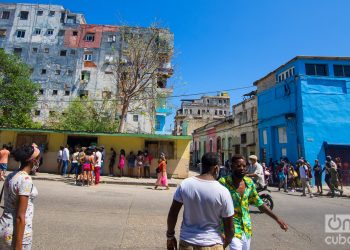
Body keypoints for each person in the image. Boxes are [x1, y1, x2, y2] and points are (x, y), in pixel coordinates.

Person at [166, 152, 234, 250]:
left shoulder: (186, 184)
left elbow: (173, 213)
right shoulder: (223, 191)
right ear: (216, 168)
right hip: (213, 243)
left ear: (202, 166)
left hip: (187, 242)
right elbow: (230, 227)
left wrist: (170, 236)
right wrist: (225, 242)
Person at [219, 155, 288, 250]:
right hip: (230, 227)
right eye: (238, 166)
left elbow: (259, 204)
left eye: (244, 166)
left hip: (246, 228)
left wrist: (277, 219)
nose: (242, 168)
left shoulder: (249, 183)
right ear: (231, 167)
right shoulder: (223, 183)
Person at [0, 144, 40, 249]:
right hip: (17, 233)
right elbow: (20, 216)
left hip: (3, 227)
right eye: (38, 158)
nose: (39, 161)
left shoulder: (11, 175)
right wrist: (18, 246)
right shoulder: (25, 179)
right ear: (33, 161)